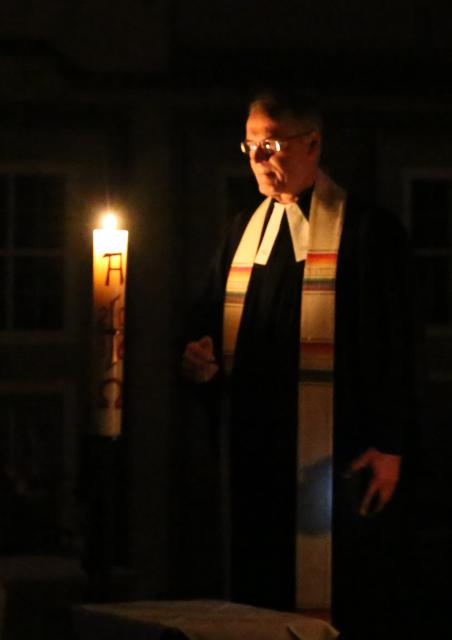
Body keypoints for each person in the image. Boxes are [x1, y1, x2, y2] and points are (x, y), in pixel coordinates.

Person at [182, 89, 413, 639]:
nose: (258, 158)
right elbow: (204, 330)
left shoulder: (368, 233)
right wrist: (198, 361)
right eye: (251, 144)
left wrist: (392, 443)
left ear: (313, 144)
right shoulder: (241, 232)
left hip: (337, 455)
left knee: (334, 598)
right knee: (253, 597)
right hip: (253, 455)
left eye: (271, 144)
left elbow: (399, 347)